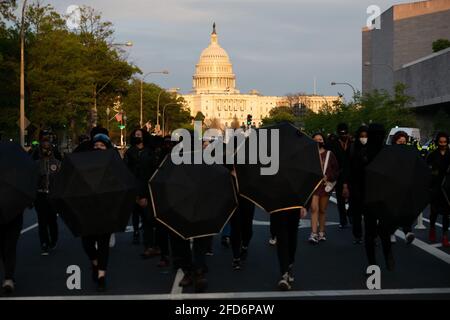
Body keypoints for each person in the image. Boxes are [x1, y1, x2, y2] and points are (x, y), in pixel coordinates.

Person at [80, 133, 114, 291]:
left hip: (106, 208)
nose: (98, 148)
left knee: (103, 244)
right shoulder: (85, 163)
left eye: (102, 146)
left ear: (107, 148)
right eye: (96, 145)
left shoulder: (114, 165)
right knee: (86, 243)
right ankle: (95, 263)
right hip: (87, 208)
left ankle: (102, 274)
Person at [363, 123, 395, 271]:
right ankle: (387, 255)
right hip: (385, 196)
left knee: (369, 233)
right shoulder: (387, 152)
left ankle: (372, 264)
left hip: (368, 195)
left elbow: (357, 177)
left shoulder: (364, 152)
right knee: (384, 230)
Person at [123, 129, 158, 252]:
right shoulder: (130, 152)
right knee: (135, 213)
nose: (137, 137)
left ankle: (149, 245)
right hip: (133, 187)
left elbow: (154, 170)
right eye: (135, 135)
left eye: (139, 135)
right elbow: (125, 171)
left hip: (146, 187)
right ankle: (137, 233)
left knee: (148, 218)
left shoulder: (150, 152)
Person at [308, 133, 339, 244]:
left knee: (322, 210)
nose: (318, 141)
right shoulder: (309, 155)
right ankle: (313, 233)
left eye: (320, 139)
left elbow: (336, 170)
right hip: (313, 185)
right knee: (314, 209)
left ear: (324, 141)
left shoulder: (330, 154)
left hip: (325, 185)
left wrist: (329, 177)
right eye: (315, 140)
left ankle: (321, 232)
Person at [34, 139, 61, 255]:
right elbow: (32, 180)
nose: (46, 150)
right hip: (40, 195)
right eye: (44, 148)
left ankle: (53, 240)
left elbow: (61, 179)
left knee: (52, 220)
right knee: (42, 221)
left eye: (48, 148)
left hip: (53, 195)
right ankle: (44, 243)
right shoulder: (36, 163)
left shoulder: (57, 163)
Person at [274, 207, 308, 291]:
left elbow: (305, 193)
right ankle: (284, 273)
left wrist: (305, 206)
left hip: (295, 207)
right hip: (279, 208)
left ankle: (290, 264)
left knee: (292, 238)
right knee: (282, 240)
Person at [390, 131, 416, 245]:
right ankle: (391, 233)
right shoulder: (390, 154)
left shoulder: (409, 154)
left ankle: (408, 232)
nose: (402, 144)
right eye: (400, 142)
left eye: (404, 142)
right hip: (393, 187)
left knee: (407, 211)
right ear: (395, 142)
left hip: (406, 187)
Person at [426, 132, 450, 247]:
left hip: (447, 187)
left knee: (447, 213)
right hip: (435, 187)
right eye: (440, 142)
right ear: (437, 142)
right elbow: (427, 170)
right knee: (434, 212)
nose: (443, 144)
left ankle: (445, 236)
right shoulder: (432, 155)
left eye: (445, 142)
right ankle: (432, 229)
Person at [349, 126, 369, 244]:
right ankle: (358, 235)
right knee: (357, 212)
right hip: (356, 184)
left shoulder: (372, 149)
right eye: (361, 136)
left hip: (369, 184)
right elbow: (349, 166)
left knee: (369, 213)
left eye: (366, 136)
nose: (364, 138)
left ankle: (371, 235)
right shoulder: (353, 148)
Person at [329, 123, 352, 228]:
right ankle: (343, 221)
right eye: (341, 133)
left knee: (353, 198)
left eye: (345, 133)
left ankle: (351, 215)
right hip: (339, 174)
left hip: (351, 174)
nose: (343, 135)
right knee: (340, 199)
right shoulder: (333, 143)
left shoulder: (352, 143)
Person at [0, 214, 23, 295]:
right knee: (4, 247)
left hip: (14, 217)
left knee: (9, 246)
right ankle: (9, 276)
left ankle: (8, 277)